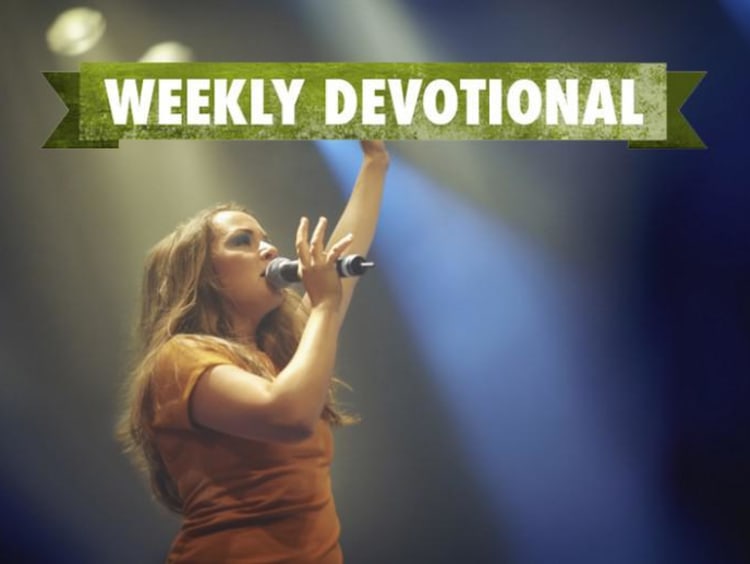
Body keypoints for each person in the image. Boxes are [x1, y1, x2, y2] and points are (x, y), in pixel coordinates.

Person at [117, 141, 389, 563]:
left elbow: (346, 252)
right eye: (243, 241)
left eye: (265, 238)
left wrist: (375, 163)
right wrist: (326, 305)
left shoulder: (276, 354)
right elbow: (288, 415)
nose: (270, 250)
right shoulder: (180, 358)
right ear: (202, 276)